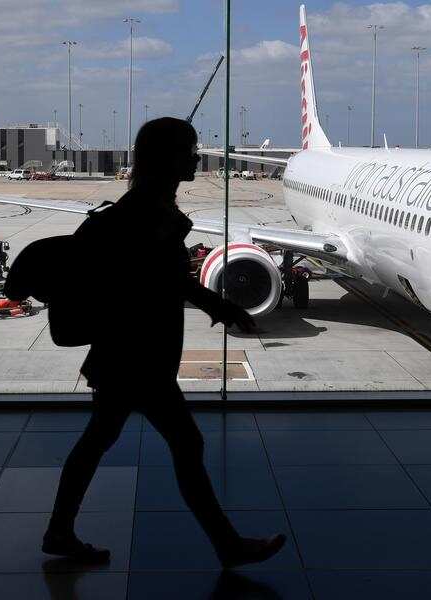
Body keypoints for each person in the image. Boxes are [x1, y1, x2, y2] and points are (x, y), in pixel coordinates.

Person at [41, 117, 286, 568]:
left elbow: (163, 279)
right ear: (166, 159)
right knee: (185, 444)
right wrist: (218, 304)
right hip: (137, 358)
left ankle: (59, 530)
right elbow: (162, 280)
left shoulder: (144, 210)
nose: (195, 157)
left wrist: (216, 303)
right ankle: (228, 545)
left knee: (100, 440)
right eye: (189, 150)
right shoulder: (146, 216)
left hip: (125, 355)